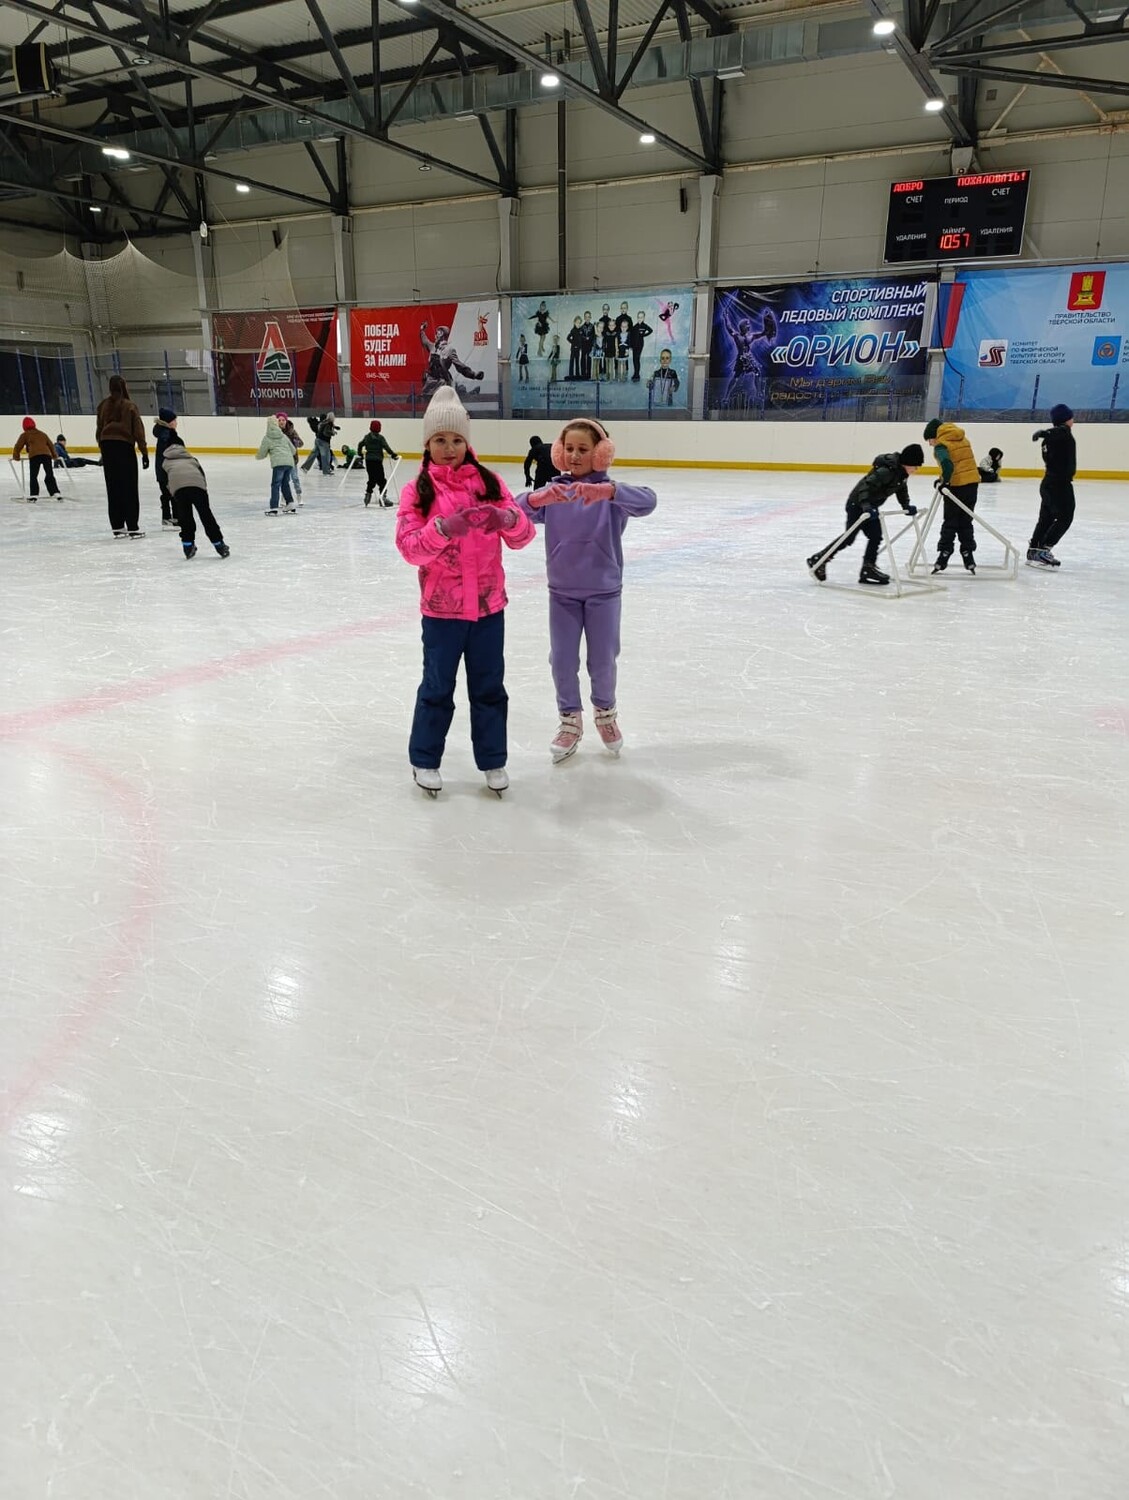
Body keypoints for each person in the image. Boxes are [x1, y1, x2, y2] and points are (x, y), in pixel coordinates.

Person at [395, 385, 535, 797]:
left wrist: (508, 519)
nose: (449, 448)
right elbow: (409, 548)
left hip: (489, 609)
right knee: (437, 687)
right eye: (440, 439)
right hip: (442, 612)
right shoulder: (418, 490)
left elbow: (524, 536)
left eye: (456, 439)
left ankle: (493, 760)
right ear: (427, 443)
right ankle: (425, 758)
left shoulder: (489, 482)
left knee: (489, 688)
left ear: (467, 442)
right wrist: (441, 529)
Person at [516, 417, 657, 762]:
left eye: (583, 449)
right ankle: (569, 721)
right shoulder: (555, 492)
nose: (575, 455)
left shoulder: (610, 493)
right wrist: (536, 498)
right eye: (569, 449)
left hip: (603, 593)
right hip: (562, 592)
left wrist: (609, 492)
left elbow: (648, 501)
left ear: (601, 453)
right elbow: (512, 511)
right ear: (559, 452)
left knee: (603, 660)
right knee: (562, 659)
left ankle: (605, 714)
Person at [805, 445, 924, 587]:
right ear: (907, 463)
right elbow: (865, 486)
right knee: (849, 537)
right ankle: (818, 559)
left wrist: (906, 505)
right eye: (915, 466)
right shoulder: (886, 471)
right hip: (857, 504)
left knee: (875, 535)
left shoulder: (901, 474)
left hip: (870, 506)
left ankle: (868, 568)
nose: (916, 470)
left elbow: (901, 490)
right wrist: (866, 504)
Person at [923, 418, 980, 574]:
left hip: (956, 487)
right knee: (966, 521)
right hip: (972, 484)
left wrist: (946, 482)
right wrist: (942, 479)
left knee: (950, 521)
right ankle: (968, 553)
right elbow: (961, 463)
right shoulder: (962, 438)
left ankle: (945, 552)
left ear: (935, 436)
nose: (930, 444)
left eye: (929, 440)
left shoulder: (942, 445)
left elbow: (948, 465)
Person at [95, 375, 148, 537]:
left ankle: (117, 526)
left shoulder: (102, 405)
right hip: (124, 447)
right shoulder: (130, 406)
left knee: (113, 487)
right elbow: (138, 431)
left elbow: (99, 429)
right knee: (129, 487)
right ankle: (132, 526)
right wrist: (144, 453)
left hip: (107, 446)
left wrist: (103, 448)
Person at [162, 437, 229, 560]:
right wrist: (203, 490)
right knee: (206, 515)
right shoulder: (192, 459)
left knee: (185, 517)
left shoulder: (165, 463)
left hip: (179, 490)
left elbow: (164, 480)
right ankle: (219, 544)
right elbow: (202, 475)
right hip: (198, 487)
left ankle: (187, 546)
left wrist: (173, 492)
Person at [1028, 404, 1076, 569]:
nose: (1073, 420)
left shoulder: (1052, 438)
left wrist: (1045, 433)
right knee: (1065, 517)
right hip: (1059, 484)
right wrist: (1045, 432)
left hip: (1049, 483)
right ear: (1065, 419)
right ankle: (1044, 550)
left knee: (1046, 518)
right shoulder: (1062, 433)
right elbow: (1059, 432)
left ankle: (1034, 549)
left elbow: (1055, 434)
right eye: (1070, 417)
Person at [256, 415, 297, 514]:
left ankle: (274, 507)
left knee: (275, 485)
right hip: (289, 463)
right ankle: (290, 503)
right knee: (285, 483)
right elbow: (293, 450)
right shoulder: (283, 436)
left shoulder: (267, 437)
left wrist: (257, 456)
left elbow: (262, 453)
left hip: (278, 464)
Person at [12, 417, 60, 500]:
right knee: (49, 474)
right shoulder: (42, 434)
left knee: (33, 476)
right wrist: (54, 455)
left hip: (34, 456)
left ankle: (34, 495)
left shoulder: (25, 434)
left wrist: (16, 457)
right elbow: (51, 445)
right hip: (46, 455)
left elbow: (18, 446)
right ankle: (55, 492)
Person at [358, 420, 399, 507]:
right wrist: (393, 455)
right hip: (377, 461)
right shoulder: (380, 438)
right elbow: (386, 447)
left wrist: (360, 454)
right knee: (382, 480)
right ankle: (382, 498)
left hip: (369, 461)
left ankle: (368, 495)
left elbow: (360, 444)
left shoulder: (367, 437)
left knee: (372, 479)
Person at [152, 407, 179, 528]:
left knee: (168, 494)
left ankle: (169, 517)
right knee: (171, 494)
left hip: (163, 470)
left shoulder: (164, 433)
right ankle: (171, 517)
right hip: (166, 471)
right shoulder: (166, 435)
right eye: (174, 420)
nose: (176, 423)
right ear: (168, 422)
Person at [278, 414, 303, 504]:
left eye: (283, 420)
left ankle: (299, 495)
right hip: (282, 459)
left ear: (286, 421)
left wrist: (296, 441)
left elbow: (301, 443)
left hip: (292, 459)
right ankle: (284, 497)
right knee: (284, 480)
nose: (281, 422)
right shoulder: (276, 432)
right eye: (279, 420)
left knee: (295, 478)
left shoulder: (292, 431)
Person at [628, 311, 654, 382]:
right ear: (637, 318)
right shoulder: (635, 326)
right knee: (634, 360)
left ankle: (637, 374)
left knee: (637, 359)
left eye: (641, 317)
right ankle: (635, 373)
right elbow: (631, 336)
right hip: (634, 345)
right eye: (639, 317)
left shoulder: (644, 326)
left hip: (640, 345)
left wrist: (643, 335)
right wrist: (630, 345)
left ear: (644, 318)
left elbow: (651, 330)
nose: (640, 319)